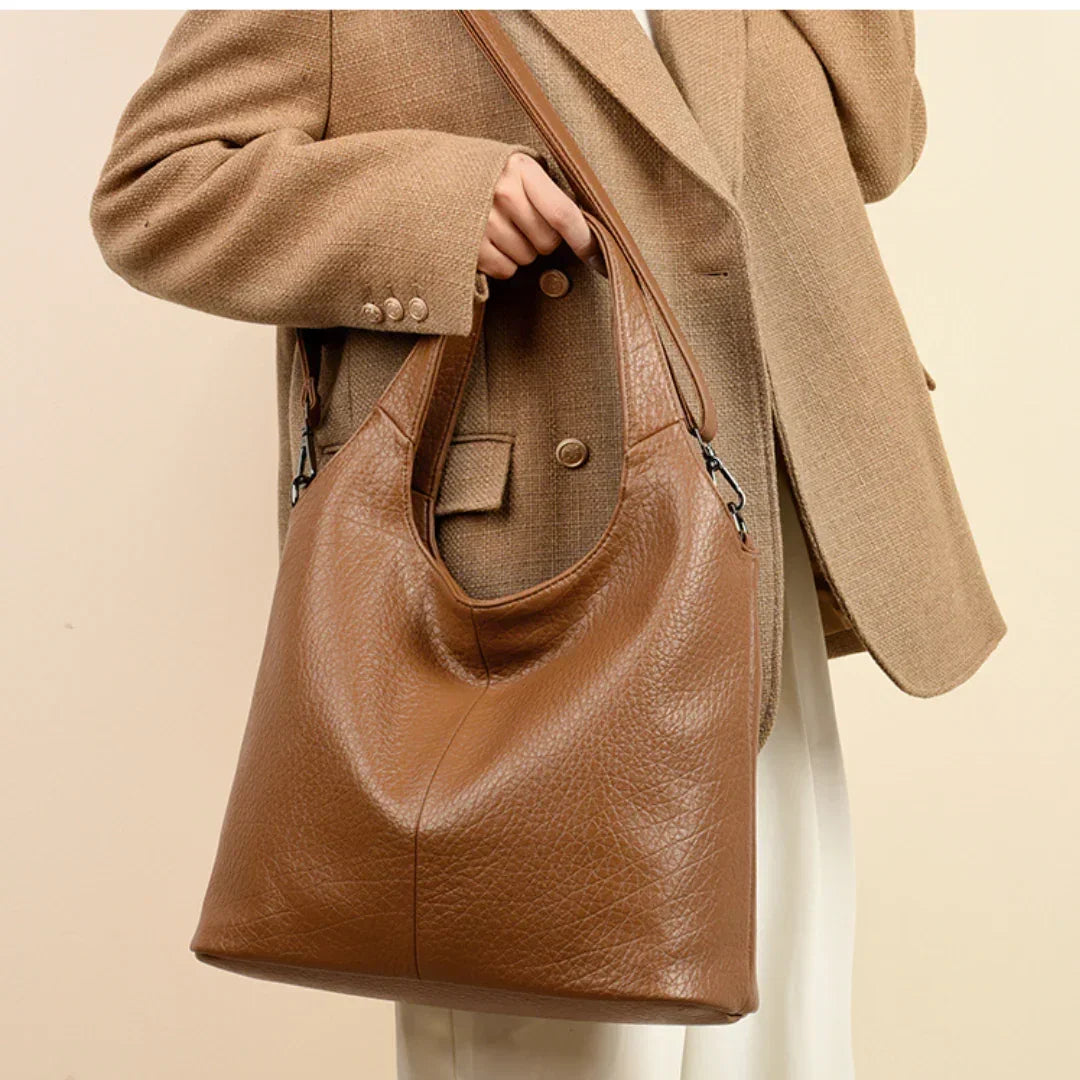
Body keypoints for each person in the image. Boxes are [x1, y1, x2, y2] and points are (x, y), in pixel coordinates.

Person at [89, 10, 1005, 1079]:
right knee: (555, 1040)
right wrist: (431, 204)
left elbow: (879, 142)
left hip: (748, 546)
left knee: (777, 1023)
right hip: (532, 576)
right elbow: (154, 188)